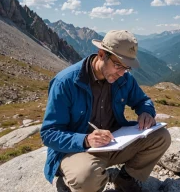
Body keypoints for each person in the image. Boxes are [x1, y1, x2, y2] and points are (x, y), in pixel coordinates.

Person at [41, 30, 171, 192]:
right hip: (77, 150)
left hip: (113, 144)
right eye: (118, 65)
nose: (122, 73)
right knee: (86, 176)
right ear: (102, 54)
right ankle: (69, 180)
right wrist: (86, 139)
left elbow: (143, 101)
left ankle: (126, 179)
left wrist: (146, 112)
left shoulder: (123, 78)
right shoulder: (65, 82)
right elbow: (49, 134)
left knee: (161, 137)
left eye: (127, 68)